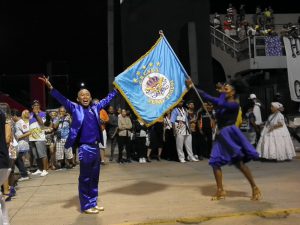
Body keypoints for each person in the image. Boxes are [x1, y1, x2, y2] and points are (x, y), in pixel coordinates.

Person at [39, 75, 118, 214]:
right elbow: (62, 99)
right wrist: (50, 88)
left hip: (95, 146)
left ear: (91, 97)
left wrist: (116, 90)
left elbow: (107, 100)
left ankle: (93, 202)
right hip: (85, 148)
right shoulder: (75, 108)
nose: (85, 96)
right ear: (78, 99)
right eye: (82, 95)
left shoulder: (95, 108)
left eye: (87, 94)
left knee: (94, 177)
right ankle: (86, 205)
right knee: (85, 178)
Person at [188, 80, 261, 201]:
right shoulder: (224, 102)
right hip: (221, 134)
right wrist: (193, 86)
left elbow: (216, 101)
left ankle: (254, 187)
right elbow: (213, 101)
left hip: (230, 133)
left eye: (226, 89)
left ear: (233, 92)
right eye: (223, 89)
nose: (223, 91)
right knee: (215, 162)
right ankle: (220, 190)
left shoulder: (234, 104)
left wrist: (220, 92)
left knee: (239, 164)